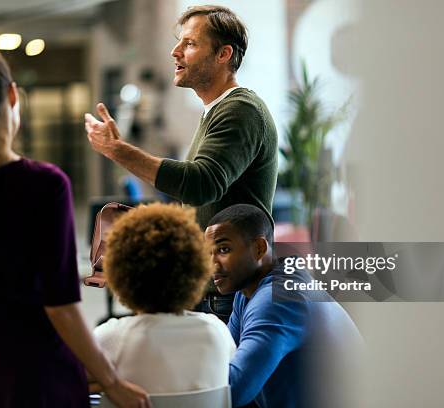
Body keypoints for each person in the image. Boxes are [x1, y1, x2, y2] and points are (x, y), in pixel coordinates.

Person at [0, 48, 150, 408]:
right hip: (38, 375)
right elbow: (62, 308)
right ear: (11, 96)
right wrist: (112, 381)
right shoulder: (44, 184)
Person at [86, 4, 278, 322]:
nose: (175, 52)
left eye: (189, 43)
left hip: (227, 295)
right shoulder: (216, 110)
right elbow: (203, 200)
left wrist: (118, 151)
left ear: (223, 54)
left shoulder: (240, 110)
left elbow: (201, 184)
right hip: (214, 287)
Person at [205, 204, 362, 408]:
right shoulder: (247, 293)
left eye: (223, 250)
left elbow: (232, 388)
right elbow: (223, 356)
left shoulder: (278, 299)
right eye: (207, 253)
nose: (211, 264)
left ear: (259, 248)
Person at [93, 203, 235, 393]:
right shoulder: (217, 331)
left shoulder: (108, 337)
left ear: (119, 274)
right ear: (196, 270)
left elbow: (66, 382)